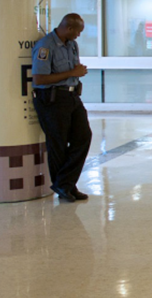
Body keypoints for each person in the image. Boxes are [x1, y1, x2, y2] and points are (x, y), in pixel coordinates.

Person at [31, 13, 92, 203]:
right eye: (78, 32)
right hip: (52, 99)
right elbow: (39, 79)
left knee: (83, 137)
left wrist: (75, 73)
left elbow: (72, 70)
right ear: (69, 28)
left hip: (72, 96)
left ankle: (64, 183)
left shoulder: (72, 45)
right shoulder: (45, 46)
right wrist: (72, 73)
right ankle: (66, 187)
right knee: (58, 143)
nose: (79, 36)